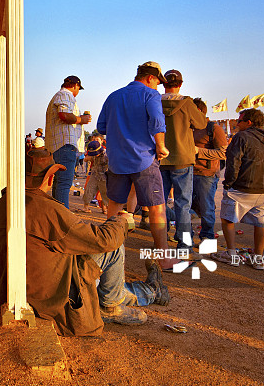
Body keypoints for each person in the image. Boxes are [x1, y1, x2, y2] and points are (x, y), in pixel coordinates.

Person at [0, 148, 169, 336]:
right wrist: (120, 221)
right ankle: (117, 305)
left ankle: (151, 290)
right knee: (114, 247)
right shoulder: (48, 209)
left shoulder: (4, 203)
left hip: (21, 286)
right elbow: (104, 240)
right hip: (51, 297)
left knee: (105, 281)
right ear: (50, 178)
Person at [96, 61, 176, 268]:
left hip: (116, 161)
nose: (158, 86)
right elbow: (158, 121)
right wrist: (161, 146)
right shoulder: (150, 95)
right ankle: (163, 258)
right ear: (150, 78)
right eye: (158, 82)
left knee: (114, 207)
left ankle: (110, 256)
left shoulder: (113, 96)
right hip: (144, 159)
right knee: (157, 208)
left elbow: (101, 126)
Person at [211, 109, 264, 270]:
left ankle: (231, 253)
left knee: (228, 219)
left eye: (239, 121)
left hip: (242, 187)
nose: (236, 123)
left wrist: (228, 183)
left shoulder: (242, 137)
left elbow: (233, 162)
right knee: (261, 223)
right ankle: (258, 258)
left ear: (249, 122)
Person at [160, 69, 207, 250]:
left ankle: (162, 239)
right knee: (183, 203)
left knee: (160, 203)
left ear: (164, 84)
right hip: (183, 159)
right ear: (180, 84)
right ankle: (184, 242)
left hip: (161, 158)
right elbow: (201, 123)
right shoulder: (187, 103)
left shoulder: (156, 102)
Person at [44, 75, 91, 209]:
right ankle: (63, 218)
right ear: (76, 86)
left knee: (59, 183)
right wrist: (82, 119)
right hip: (65, 145)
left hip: (58, 146)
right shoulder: (66, 95)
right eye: (78, 89)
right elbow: (64, 115)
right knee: (64, 183)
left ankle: (57, 216)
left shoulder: (59, 95)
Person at [191, 98, 228, 242]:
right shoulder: (189, 127)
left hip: (206, 175)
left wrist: (198, 151)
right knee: (187, 208)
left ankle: (207, 238)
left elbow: (223, 152)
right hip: (187, 173)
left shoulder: (213, 128)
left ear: (198, 111)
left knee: (206, 208)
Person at [82, 136, 108, 214]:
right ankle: (85, 207)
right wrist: (88, 158)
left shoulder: (107, 155)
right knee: (89, 190)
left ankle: (107, 209)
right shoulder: (92, 154)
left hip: (104, 177)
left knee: (105, 193)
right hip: (94, 174)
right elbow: (85, 159)